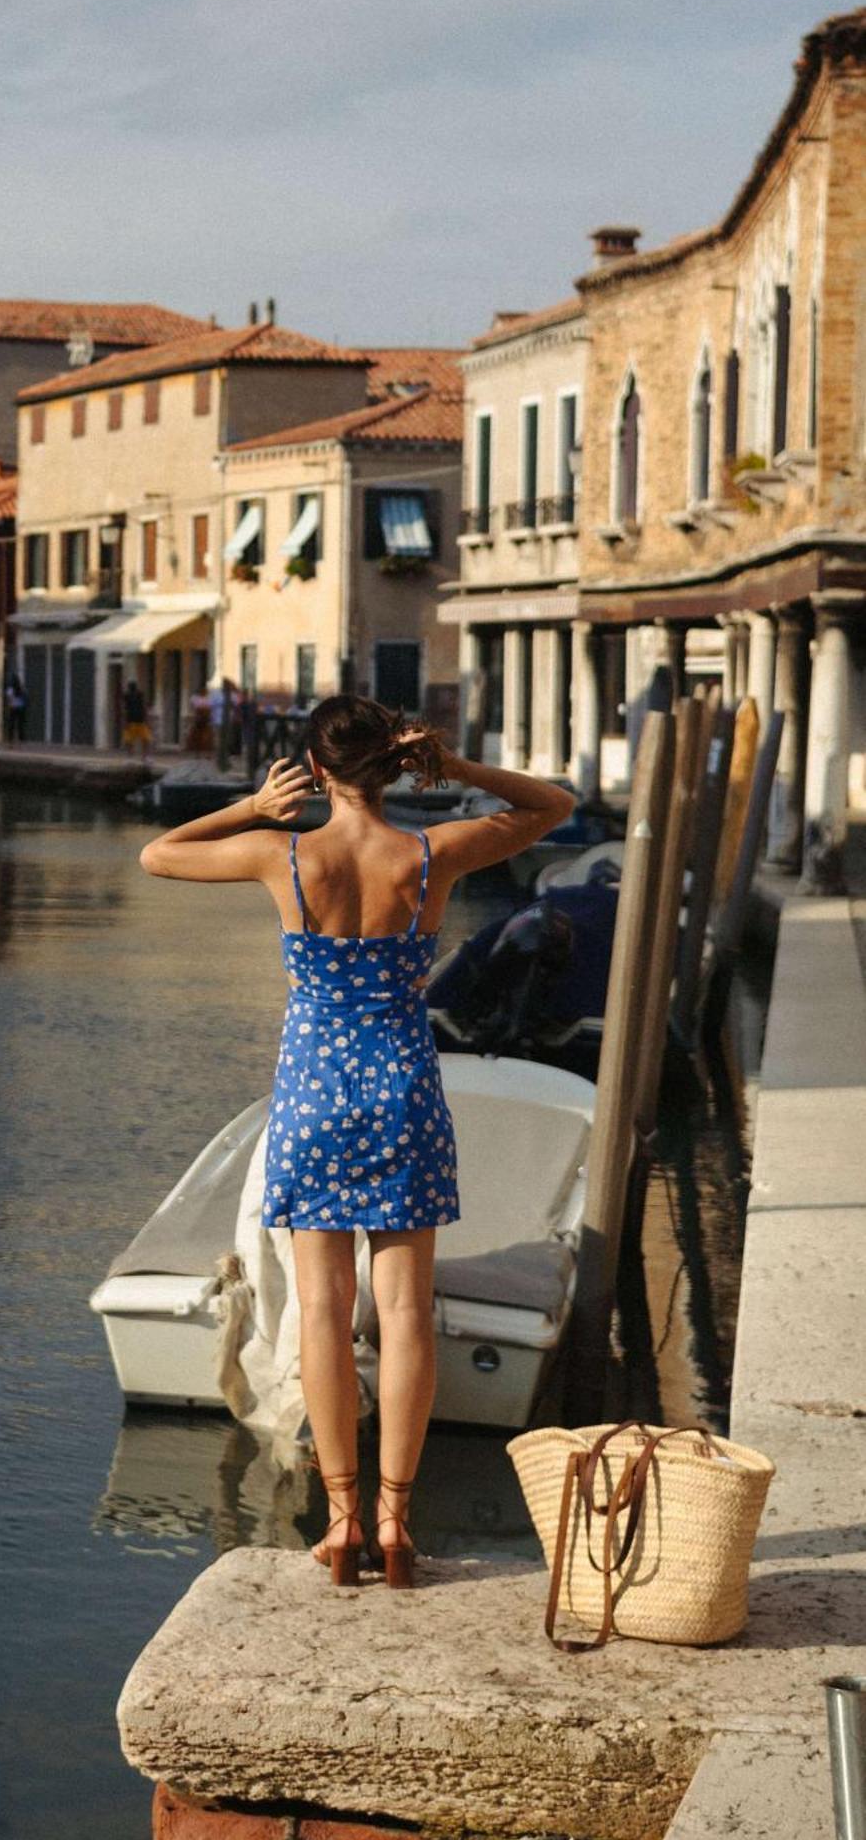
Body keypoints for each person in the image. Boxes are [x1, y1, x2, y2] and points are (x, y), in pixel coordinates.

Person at [139, 695, 573, 1590]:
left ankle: (339, 1524)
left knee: (324, 1316)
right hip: (403, 1088)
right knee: (408, 1313)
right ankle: (396, 1520)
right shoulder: (431, 852)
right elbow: (550, 807)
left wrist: (250, 808)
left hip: (312, 1095)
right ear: (392, 763)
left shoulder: (283, 854)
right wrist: (453, 772)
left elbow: (156, 854)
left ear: (320, 768)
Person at [121, 678, 152, 760]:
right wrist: (147, 720)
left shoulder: (138, 695)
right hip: (134, 720)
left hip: (136, 720)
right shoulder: (128, 695)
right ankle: (135, 756)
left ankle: (142, 756)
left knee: (143, 739)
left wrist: (124, 722)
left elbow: (124, 709)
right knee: (132, 740)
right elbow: (124, 709)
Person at [4, 671, 27, 743]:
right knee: (20, 723)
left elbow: (9, 696)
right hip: (21, 706)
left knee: (12, 723)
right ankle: (21, 739)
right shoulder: (21, 687)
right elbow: (25, 695)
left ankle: (10, 738)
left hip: (13, 706)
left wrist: (9, 703)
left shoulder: (11, 687)